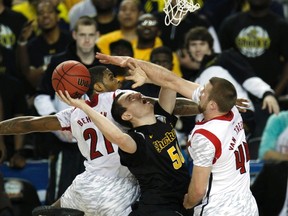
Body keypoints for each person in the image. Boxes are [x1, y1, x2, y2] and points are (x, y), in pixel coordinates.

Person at [95, 52, 259, 215]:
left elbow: (198, 190)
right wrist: (131, 61)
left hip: (217, 208)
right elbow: (172, 81)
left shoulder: (205, 134)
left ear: (213, 105)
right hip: (246, 203)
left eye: (204, 92)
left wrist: (188, 203)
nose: (199, 92)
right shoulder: (234, 112)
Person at [0, 66, 140, 216]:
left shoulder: (74, 113)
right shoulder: (120, 97)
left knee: (51, 210)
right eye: (111, 77)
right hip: (120, 188)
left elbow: (28, 124)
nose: (118, 80)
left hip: (85, 187)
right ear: (98, 86)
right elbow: (158, 105)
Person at [57, 69, 195, 216]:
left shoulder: (163, 118)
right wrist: (84, 106)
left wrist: (148, 77)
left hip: (182, 198)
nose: (137, 94)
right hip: (157, 207)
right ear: (127, 115)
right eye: (130, 99)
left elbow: (170, 82)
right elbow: (118, 137)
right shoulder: (137, 140)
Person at [32, 15, 101, 204]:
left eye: (90, 35)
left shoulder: (103, 64)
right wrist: (55, 125)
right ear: (74, 35)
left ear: (97, 35)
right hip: (63, 145)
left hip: (97, 145)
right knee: (60, 195)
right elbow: (41, 95)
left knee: (94, 197)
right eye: (82, 35)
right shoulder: (58, 62)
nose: (86, 40)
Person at [184, 26, 279, 140]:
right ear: (188, 49)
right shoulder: (195, 78)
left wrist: (266, 93)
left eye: (202, 44)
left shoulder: (224, 57)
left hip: (238, 113)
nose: (198, 49)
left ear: (210, 45)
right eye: (193, 45)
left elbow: (247, 76)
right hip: (210, 125)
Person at [218, 0, 288, 137]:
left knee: (263, 145)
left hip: (269, 99)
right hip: (236, 98)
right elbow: (222, 60)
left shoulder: (281, 26)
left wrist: (274, 94)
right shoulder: (230, 23)